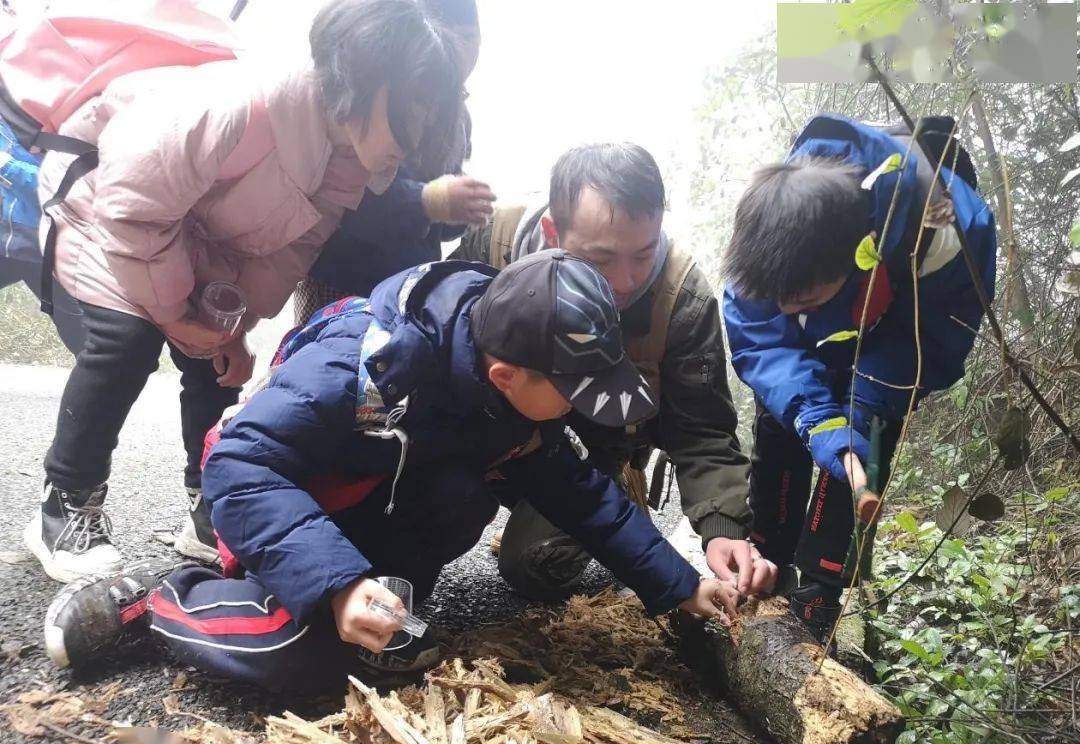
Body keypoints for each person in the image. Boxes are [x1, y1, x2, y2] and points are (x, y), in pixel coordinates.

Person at [43, 251, 740, 692]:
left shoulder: (516, 399)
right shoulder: (371, 366)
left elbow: (581, 493)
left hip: (376, 505)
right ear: (505, 374)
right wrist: (339, 585)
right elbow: (240, 466)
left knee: (467, 491)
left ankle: (374, 614)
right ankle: (158, 601)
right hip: (281, 505)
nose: (584, 412)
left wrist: (680, 586)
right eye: (577, 393)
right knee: (299, 655)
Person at [24, 0, 465, 582]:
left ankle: (212, 505)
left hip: (189, 241)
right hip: (101, 213)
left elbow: (283, 253)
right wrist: (178, 316)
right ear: (361, 80)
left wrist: (227, 327)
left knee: (215, 365)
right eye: (411, 113)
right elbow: (132, 208)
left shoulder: (344, 165)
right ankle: (67, 503)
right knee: (125, 341)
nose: (415, 141)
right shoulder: (236, 105)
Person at [453, 143, 776, 603]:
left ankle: (616, 492)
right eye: (601, 260)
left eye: (643, 254)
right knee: (447, 496)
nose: (624, 282)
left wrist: (722, 529)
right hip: (497, 431)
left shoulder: (680, 298)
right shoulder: (491, 245)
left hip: (594, 447)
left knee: (535, 564)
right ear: (552, 231)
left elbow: (701, 429)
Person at [722, 113, 996, 638]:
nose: (782, 307)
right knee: (785, 418)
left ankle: (821, 587)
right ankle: (767, 553)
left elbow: (932, 347)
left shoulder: (955, 234)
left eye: (799, 298)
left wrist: (862, 409)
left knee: (864, 443)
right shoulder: (766, 237)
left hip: (895, 325)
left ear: (862, 252)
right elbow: (764, 341)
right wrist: (815, 420)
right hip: (826, 328)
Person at [294, 0, 494, 325]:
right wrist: (428, 201)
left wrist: (458, 211)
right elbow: (352, 199)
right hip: (341, 278)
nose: (460, 51)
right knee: (319, 357)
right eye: (451, 38)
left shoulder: (456, 117)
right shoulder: (377, 103)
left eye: (471, 38)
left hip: (407, 281)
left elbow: (437, 218)